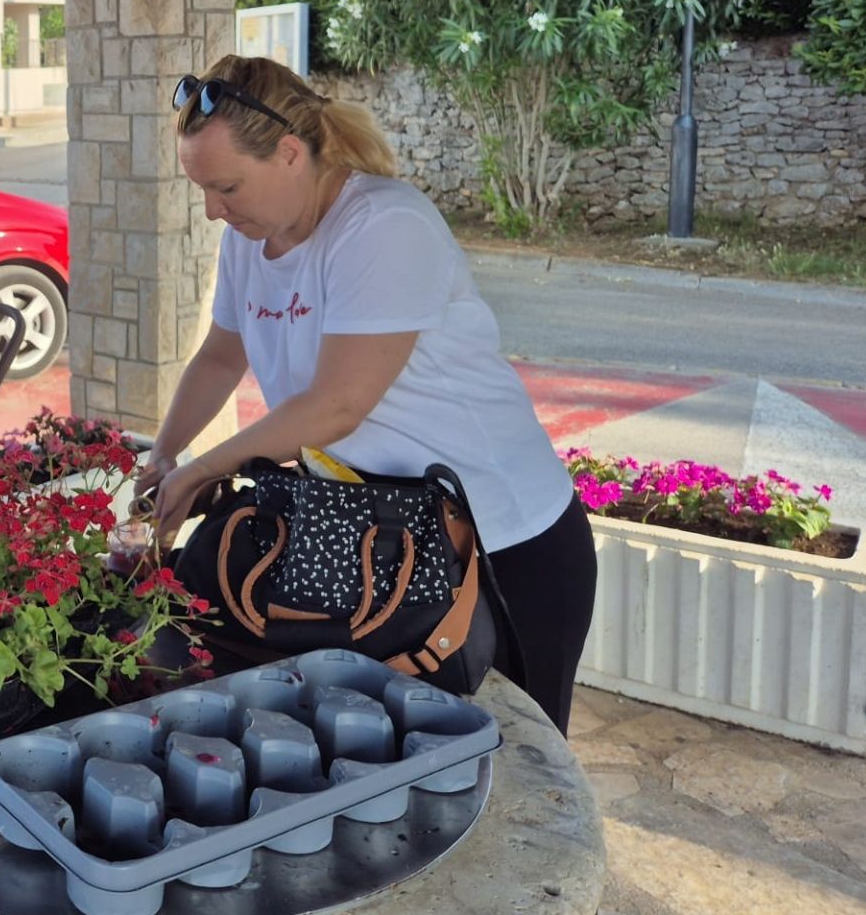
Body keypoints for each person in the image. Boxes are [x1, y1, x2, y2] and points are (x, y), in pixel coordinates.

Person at [138, 54, 595, 738]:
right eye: (202, 190)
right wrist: (166, 456)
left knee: (513, 764)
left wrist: (208, 469)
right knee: (389, 754)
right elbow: (220, 355)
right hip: (387, 535)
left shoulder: (383, 226)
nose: (212, 210)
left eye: (226, 186)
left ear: (290, 153)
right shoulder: (250, 237)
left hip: (504, 542)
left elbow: (337, 406)